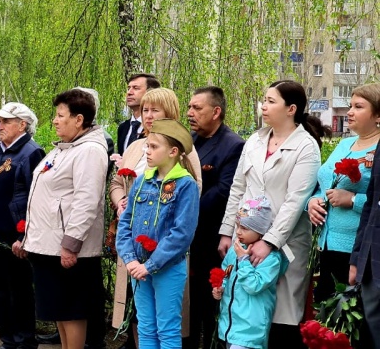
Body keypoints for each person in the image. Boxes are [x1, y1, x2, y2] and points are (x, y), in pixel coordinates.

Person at [218, 80, 323, 348]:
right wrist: (227, 231)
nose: (263, 106)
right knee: (247, 310)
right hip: (245, 236)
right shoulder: (255, 140)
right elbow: (238, 188)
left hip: (285, 243)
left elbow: (295, 200)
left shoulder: (306, 147)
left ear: (291, 109)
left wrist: (270, 241)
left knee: (282, 316)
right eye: (263, 100)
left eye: (271, 101)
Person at [108, 87, 202, 339]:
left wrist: (150, 264)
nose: (147, 115)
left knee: (168, 328)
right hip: (137, 262)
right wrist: (130, 259)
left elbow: (182, 229)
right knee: (145, 326)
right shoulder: (142, 179)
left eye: (154, 110)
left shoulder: (185, 176)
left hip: (165, 263)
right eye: (144, 110)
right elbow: (125, 218)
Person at [22, 89, 107, 349]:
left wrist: (70, 244)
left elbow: (86, 200)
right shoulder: (65, 149)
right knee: (59, 310)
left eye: (61, 116)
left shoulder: (90, 150)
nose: (55, 121)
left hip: (67, 248)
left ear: (79, 119)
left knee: (71, 310)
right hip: (48, 245)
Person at [184, 86, 245, 349]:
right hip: (188, 237)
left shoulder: (233, 145)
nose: (189, 113)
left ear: (216, 111)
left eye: (197, 108)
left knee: (210, 302)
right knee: (189, 305)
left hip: (211, 237)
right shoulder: (190, 140)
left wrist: (185, 209)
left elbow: (224, 190)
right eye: (189, 107)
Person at [0, 102, 44, 349]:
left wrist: (24, 235)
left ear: (22, 125)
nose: (0, 126)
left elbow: (33, 198)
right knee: (1, 290)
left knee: (19, 290)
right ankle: (8, 339)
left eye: (6, 121)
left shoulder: (31, 152)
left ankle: (24, 340)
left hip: (15, 236)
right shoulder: (3, 152)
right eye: (0, 121)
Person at [308, 84, 379, 302]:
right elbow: (324, 183)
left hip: (357, 249)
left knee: (349, 316)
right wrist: (312, 201)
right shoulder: (345, 144)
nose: (349, 112)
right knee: (325, 316)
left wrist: (353, 199)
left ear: (378, 115)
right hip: (326, 244)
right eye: (350, 106)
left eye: (358, 106)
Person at [213, 197, 287, 349]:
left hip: (251, 329)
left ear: (261, 230)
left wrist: (244, 260)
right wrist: (221, 287)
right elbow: (226, 272)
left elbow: (254, 286)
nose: (238, 232)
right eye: (237, 226)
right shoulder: (236, 249)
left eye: (245, 228)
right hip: (230, 326)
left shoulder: (270, 258)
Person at [349, 86, 380, 348]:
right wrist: (357, 259)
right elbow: (371, 205)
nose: (351, 112)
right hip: (373, 262)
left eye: (359, 106)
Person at [116, 74, 160, 155]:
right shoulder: (123, 128)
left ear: (150, 92)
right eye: (128, 88)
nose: (129, 92)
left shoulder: (157, 128)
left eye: (136, 88)